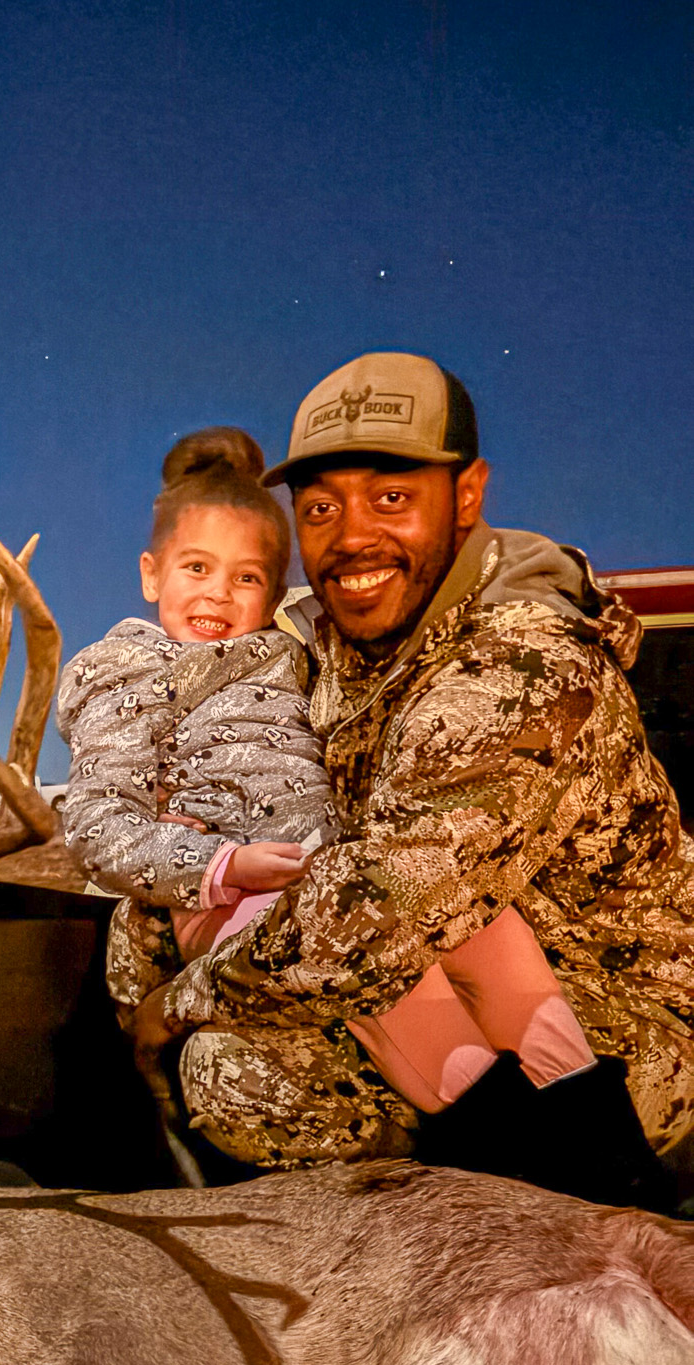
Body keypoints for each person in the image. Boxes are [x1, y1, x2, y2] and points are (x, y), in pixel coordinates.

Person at [116, 352, 693, 1210]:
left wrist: (175, 1004)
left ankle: (575, 1218)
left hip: (615, 1019)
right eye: (320, 508)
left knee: (239, 1069)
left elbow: (368, 920)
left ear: (465, 495)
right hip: (423, 959)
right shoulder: (327, 650)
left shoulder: (520, 666)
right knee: (142, 926)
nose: (351, 537)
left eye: (390, 498)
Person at [60, 422, 610, 1173]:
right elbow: (96, 822)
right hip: (232, 897)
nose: (218, 594)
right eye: (196, 568)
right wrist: (220, 863)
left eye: (246, 577)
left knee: (484, 927)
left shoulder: (293, 650)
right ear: (151, 574)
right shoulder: (125, 669)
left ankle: (601, 1138)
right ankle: (518, 1158)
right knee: (395, 996)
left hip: (336, 871)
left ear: (275, 586)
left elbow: (431, 612)